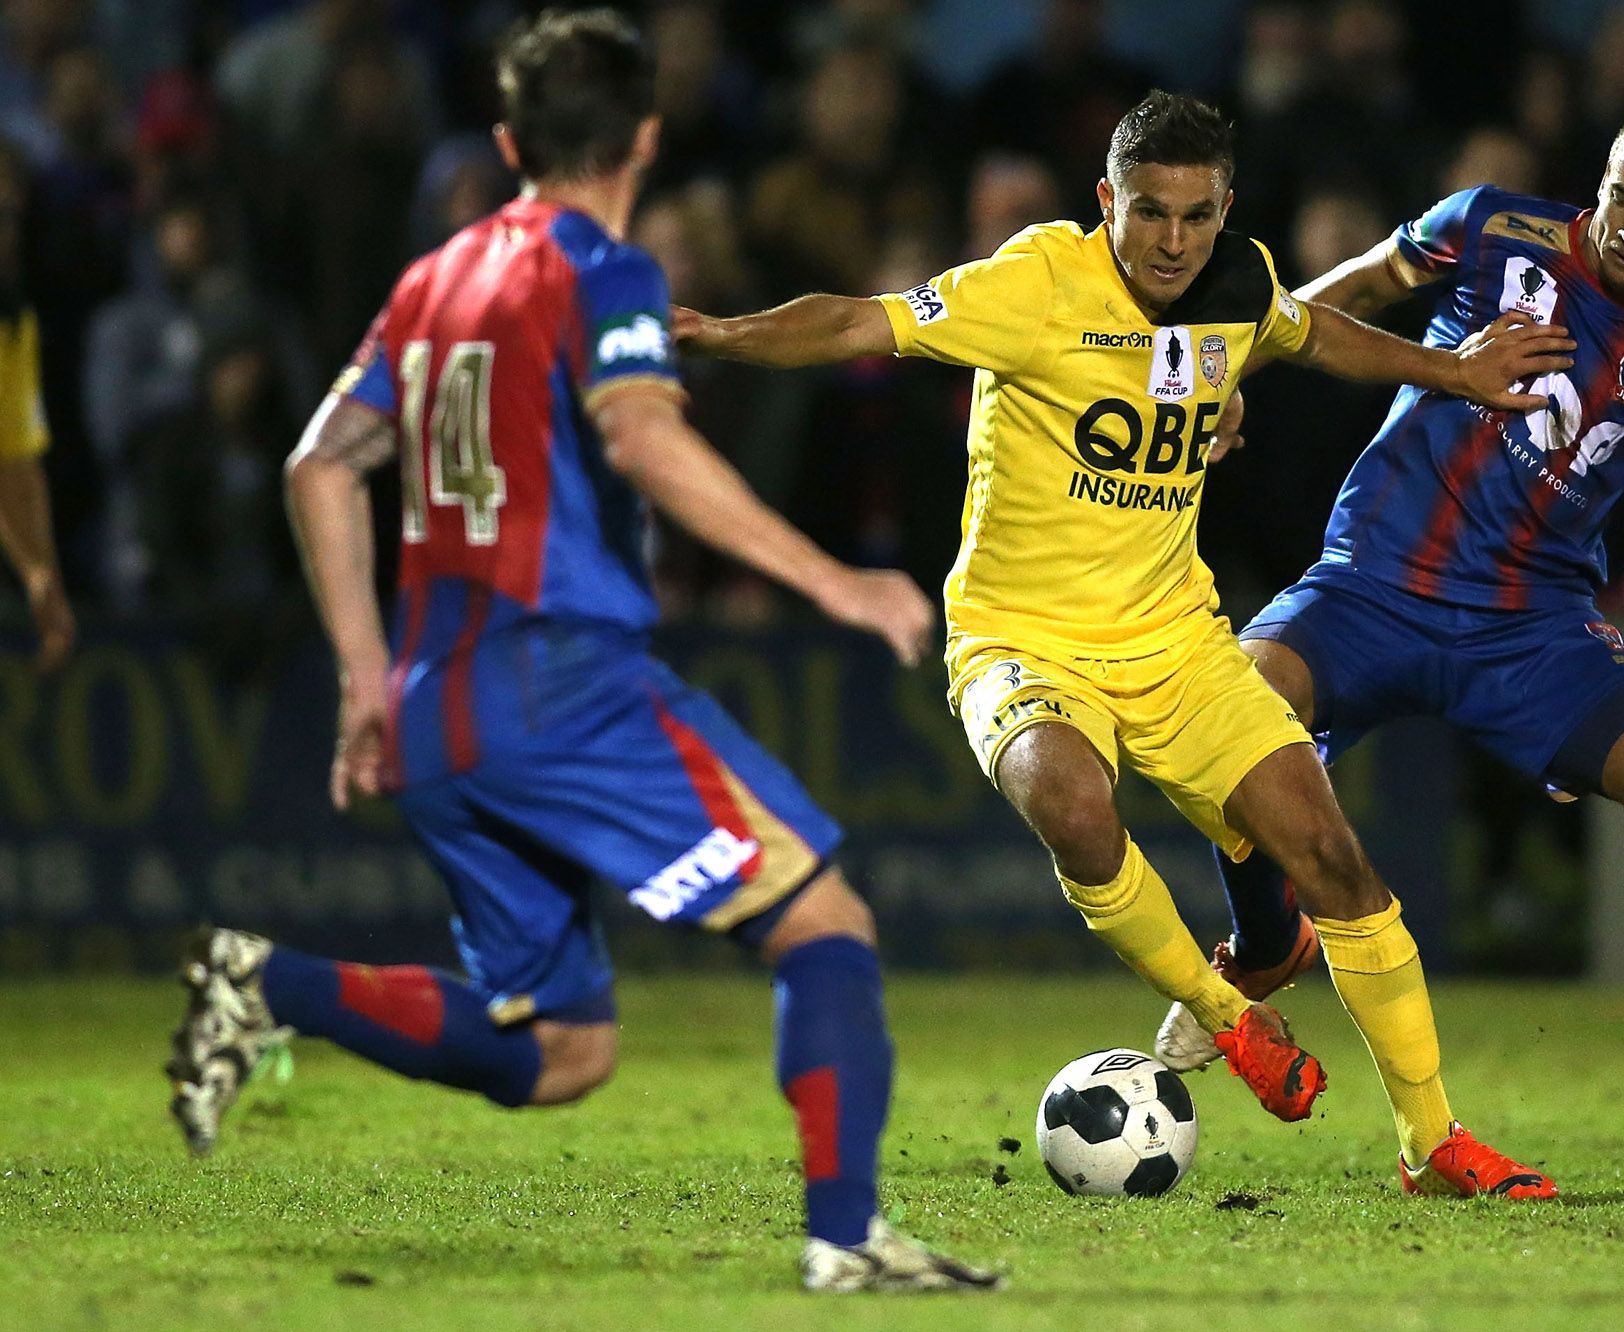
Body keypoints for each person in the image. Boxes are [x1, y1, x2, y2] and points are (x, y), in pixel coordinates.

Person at [163, 9, 998, 1294]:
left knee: (563, 1050)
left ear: (508, 142)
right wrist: (833, 578)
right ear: (647, 139)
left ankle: (268, 982)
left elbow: (320, 466)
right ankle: (847, 1242)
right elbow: (643, 437)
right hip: (561, 686)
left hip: (439, 709)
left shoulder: (433, 281)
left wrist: (364, 678)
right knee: (823, 921)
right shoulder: (604, 271)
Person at [676, 90, 1573, 1197]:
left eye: (1196, 216)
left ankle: (1432, 1144)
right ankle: (1226, 1016)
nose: (1173, 241)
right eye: (1149, 212)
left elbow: (1310, 332)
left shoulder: (1239, 281)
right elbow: (860, 321)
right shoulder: (1036, 282)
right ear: (1108, 200)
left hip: (1174, 638)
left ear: (1225, 211)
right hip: (1020, 638)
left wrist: (1454, 369)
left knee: (1333, 858)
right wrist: (722, 334)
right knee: (1072, 805)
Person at [1153, 94, 1624, 1189]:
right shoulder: (1492, 224)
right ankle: (1265, 946)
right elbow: (1350, 291)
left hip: (1529, 623)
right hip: (1372, 581)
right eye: (1618, 197)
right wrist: (1217, 379)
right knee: (1234, 721)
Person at [0, 136, 72, 673]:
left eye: (8, 215)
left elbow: (17, 461)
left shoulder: (14, 321)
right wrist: (30, 565)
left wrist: (42, 572)